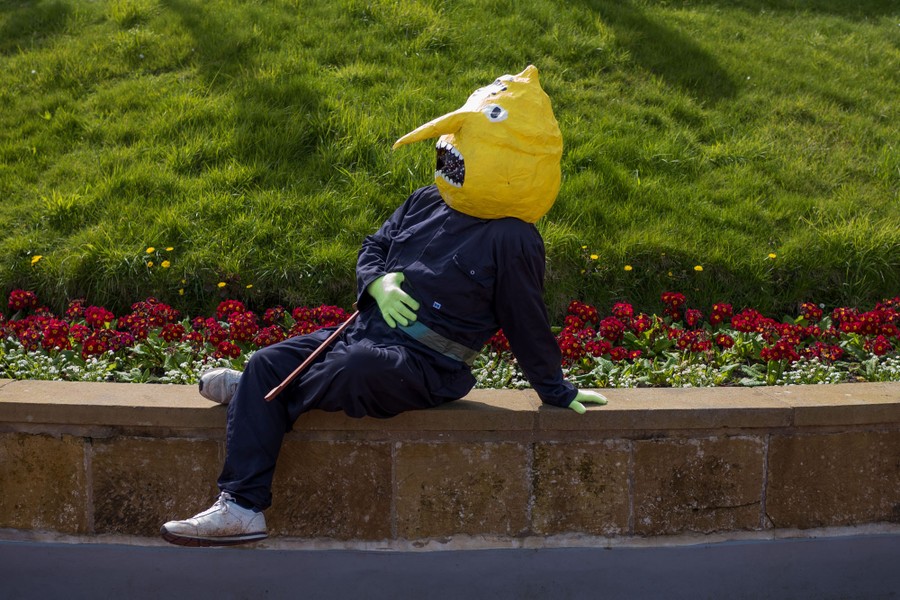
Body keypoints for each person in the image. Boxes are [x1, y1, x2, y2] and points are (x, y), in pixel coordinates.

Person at [160, 65, 607, 547]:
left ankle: (252, 396)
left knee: (354, 368)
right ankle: (242, 508)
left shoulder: (513, 237)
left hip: (427, 364)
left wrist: (554, 388)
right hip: (361, 331)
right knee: (270, 361)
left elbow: (526, 319)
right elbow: (373, 248)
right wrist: (377, 285)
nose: (449, 153)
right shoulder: (425, 200)